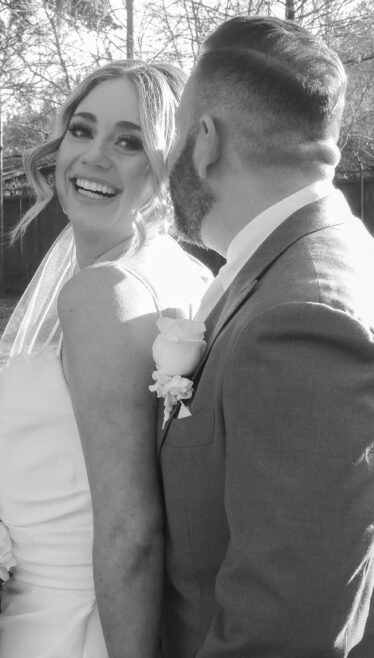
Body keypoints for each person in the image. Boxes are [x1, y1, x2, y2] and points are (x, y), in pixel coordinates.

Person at [0, 60, 211, 658]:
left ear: (168, 163)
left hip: (64, 631)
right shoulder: (183, 272)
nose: (94, 156)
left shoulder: (105, 293)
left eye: (129, 141)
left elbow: (130, 530)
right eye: (82, 130)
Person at [160, 14, 374, 657]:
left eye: (173, 135)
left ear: (204, 142)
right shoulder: (304, 263)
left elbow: (287, 626)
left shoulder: (299, 316)